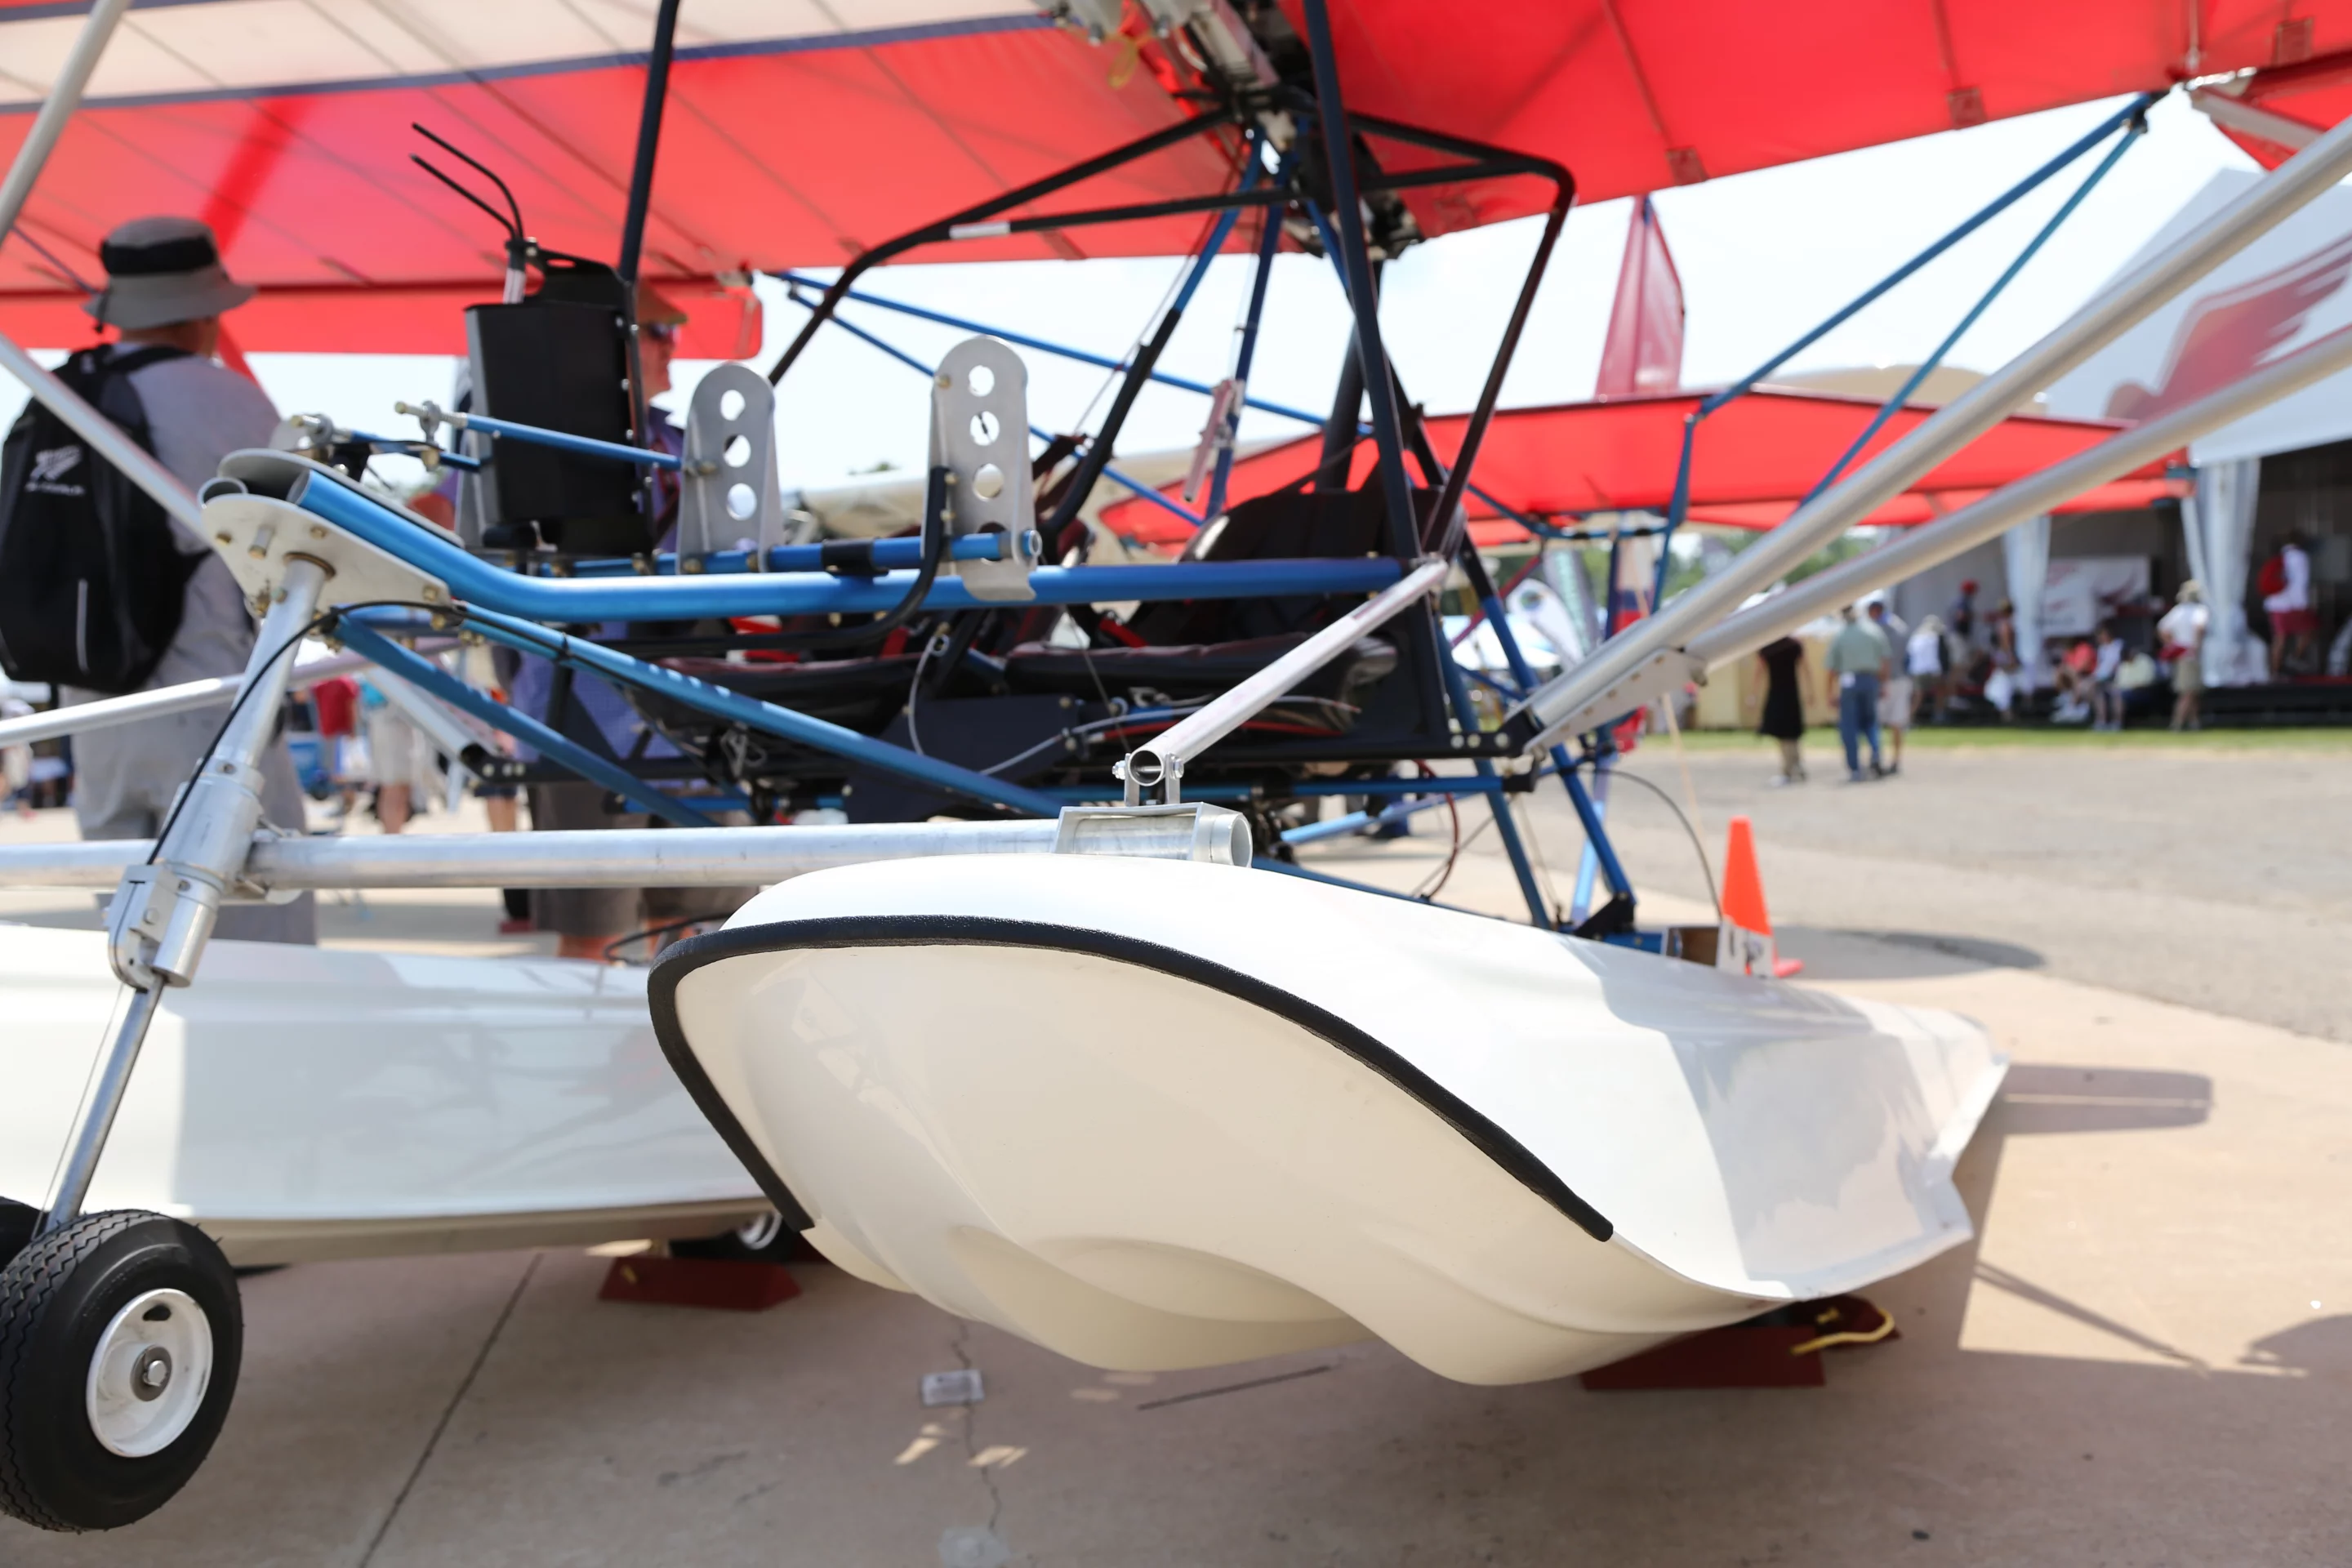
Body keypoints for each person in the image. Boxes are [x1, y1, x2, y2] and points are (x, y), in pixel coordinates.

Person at [60, 217, 313, 943]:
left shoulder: (62, 396)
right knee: (258, 929)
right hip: (207, 698)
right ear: (202, 311)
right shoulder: (226, 399)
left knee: (131, 938)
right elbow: (301, 539)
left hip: (92, 707)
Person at [506, 283, 754, 961]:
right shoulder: (531, 446)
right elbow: (448, 519)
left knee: (709, 926)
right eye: (657, 333)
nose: (673, 346)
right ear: (605, 345)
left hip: (689, 709)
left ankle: (675, 1034)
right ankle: (594, 1036)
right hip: (583, 716)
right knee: (594, 934)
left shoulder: (682, 443)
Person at [1823, 605, 1891, 782]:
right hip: (1870, 680)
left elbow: (1831, 668)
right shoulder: (1873, 631)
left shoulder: (1841, 635)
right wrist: (1884, 684)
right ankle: (1875, 754)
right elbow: (1884, 660)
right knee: (1871, 722)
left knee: (1849, 726)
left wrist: (1829, 693)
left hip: (1850, 683)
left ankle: (1855, 768)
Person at [2260, 530, 2316, 675]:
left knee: (2279, 638)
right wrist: (2303, 604)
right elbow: (2301, 582)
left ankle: (2274, 671)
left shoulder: (2279, 556)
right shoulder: (2300, 557)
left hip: (2276, 604)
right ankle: (2295, 657)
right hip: (2293, 604)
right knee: (2307, 631)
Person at [1866, 600, 1913, 774]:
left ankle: (1877, 758)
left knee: (1876, 722)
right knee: (1896, 723)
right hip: (1901, 679)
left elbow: (1881, 659)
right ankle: (1895, 760)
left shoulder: (1876, 630)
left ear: (1874, 612)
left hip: (1883, 681)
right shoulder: (1900, 627)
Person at [1755, 635, 1808, 786]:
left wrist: (1753, 694)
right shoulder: (1794, 644)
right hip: (1790, 693)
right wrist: (1810, 692)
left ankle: (1789, 769)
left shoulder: (1768, 647)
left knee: (1784, 734)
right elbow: (1806, 668)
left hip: (1777, 693)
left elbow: (1758, 671)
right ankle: (1796, 765)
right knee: (1792, 733)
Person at [2157, 581, 2208, 732]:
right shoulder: (2200, 610)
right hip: (2190, 656)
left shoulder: (2178, 611)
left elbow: (2162, 629)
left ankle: (2194, 723)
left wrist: (2173, 645)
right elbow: (2199, 628)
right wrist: (2195, 649)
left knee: (2193, 691)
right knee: (2188, 691)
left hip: (2180, 656)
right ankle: (2177, 723)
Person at [1906, 613, 1948, 727]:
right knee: (1941, 692)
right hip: (1933, 671)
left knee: (1918, 697)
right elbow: (1942, 655)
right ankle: (1939, 715)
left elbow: (1909, 656)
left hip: (1916, 671)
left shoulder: (1915, 637)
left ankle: (1909, 719)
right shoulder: (1936, 637)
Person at [2087, 621, 2126, 731]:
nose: (2100, 638)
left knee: (2116, 695)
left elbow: (2116, 664)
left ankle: (2117, 722)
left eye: (2102, 635)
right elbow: (2101, 667)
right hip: (2103, 679)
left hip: (2118, 679)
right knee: (2096, 692)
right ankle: (2101, 721)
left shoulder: (2119, 645)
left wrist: (2103, 677)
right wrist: (2096, 677)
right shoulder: (2101, 649)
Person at [1947, 579, 1980, 649]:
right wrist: (1973, 616)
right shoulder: (1963, 601)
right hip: (1960, 636)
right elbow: (1960, 615)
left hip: (1959, 635)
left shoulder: (1963, 600)